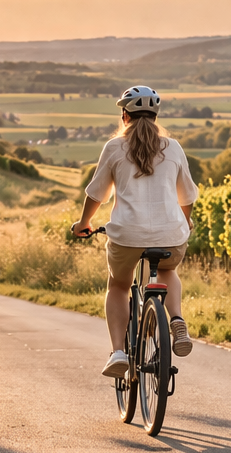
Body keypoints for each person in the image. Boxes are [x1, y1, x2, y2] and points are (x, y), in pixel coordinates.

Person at [71, 86, 200, 379]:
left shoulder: (114, 147)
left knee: (118, 285)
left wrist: (84, 223)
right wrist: (186, 220)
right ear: (155, 117)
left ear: (124, 115)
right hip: (172, 233)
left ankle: (118, 352)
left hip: (127, 236)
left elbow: (96, 194)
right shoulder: (173, 147)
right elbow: (187, 196)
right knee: (167, 270)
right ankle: (177, 319)